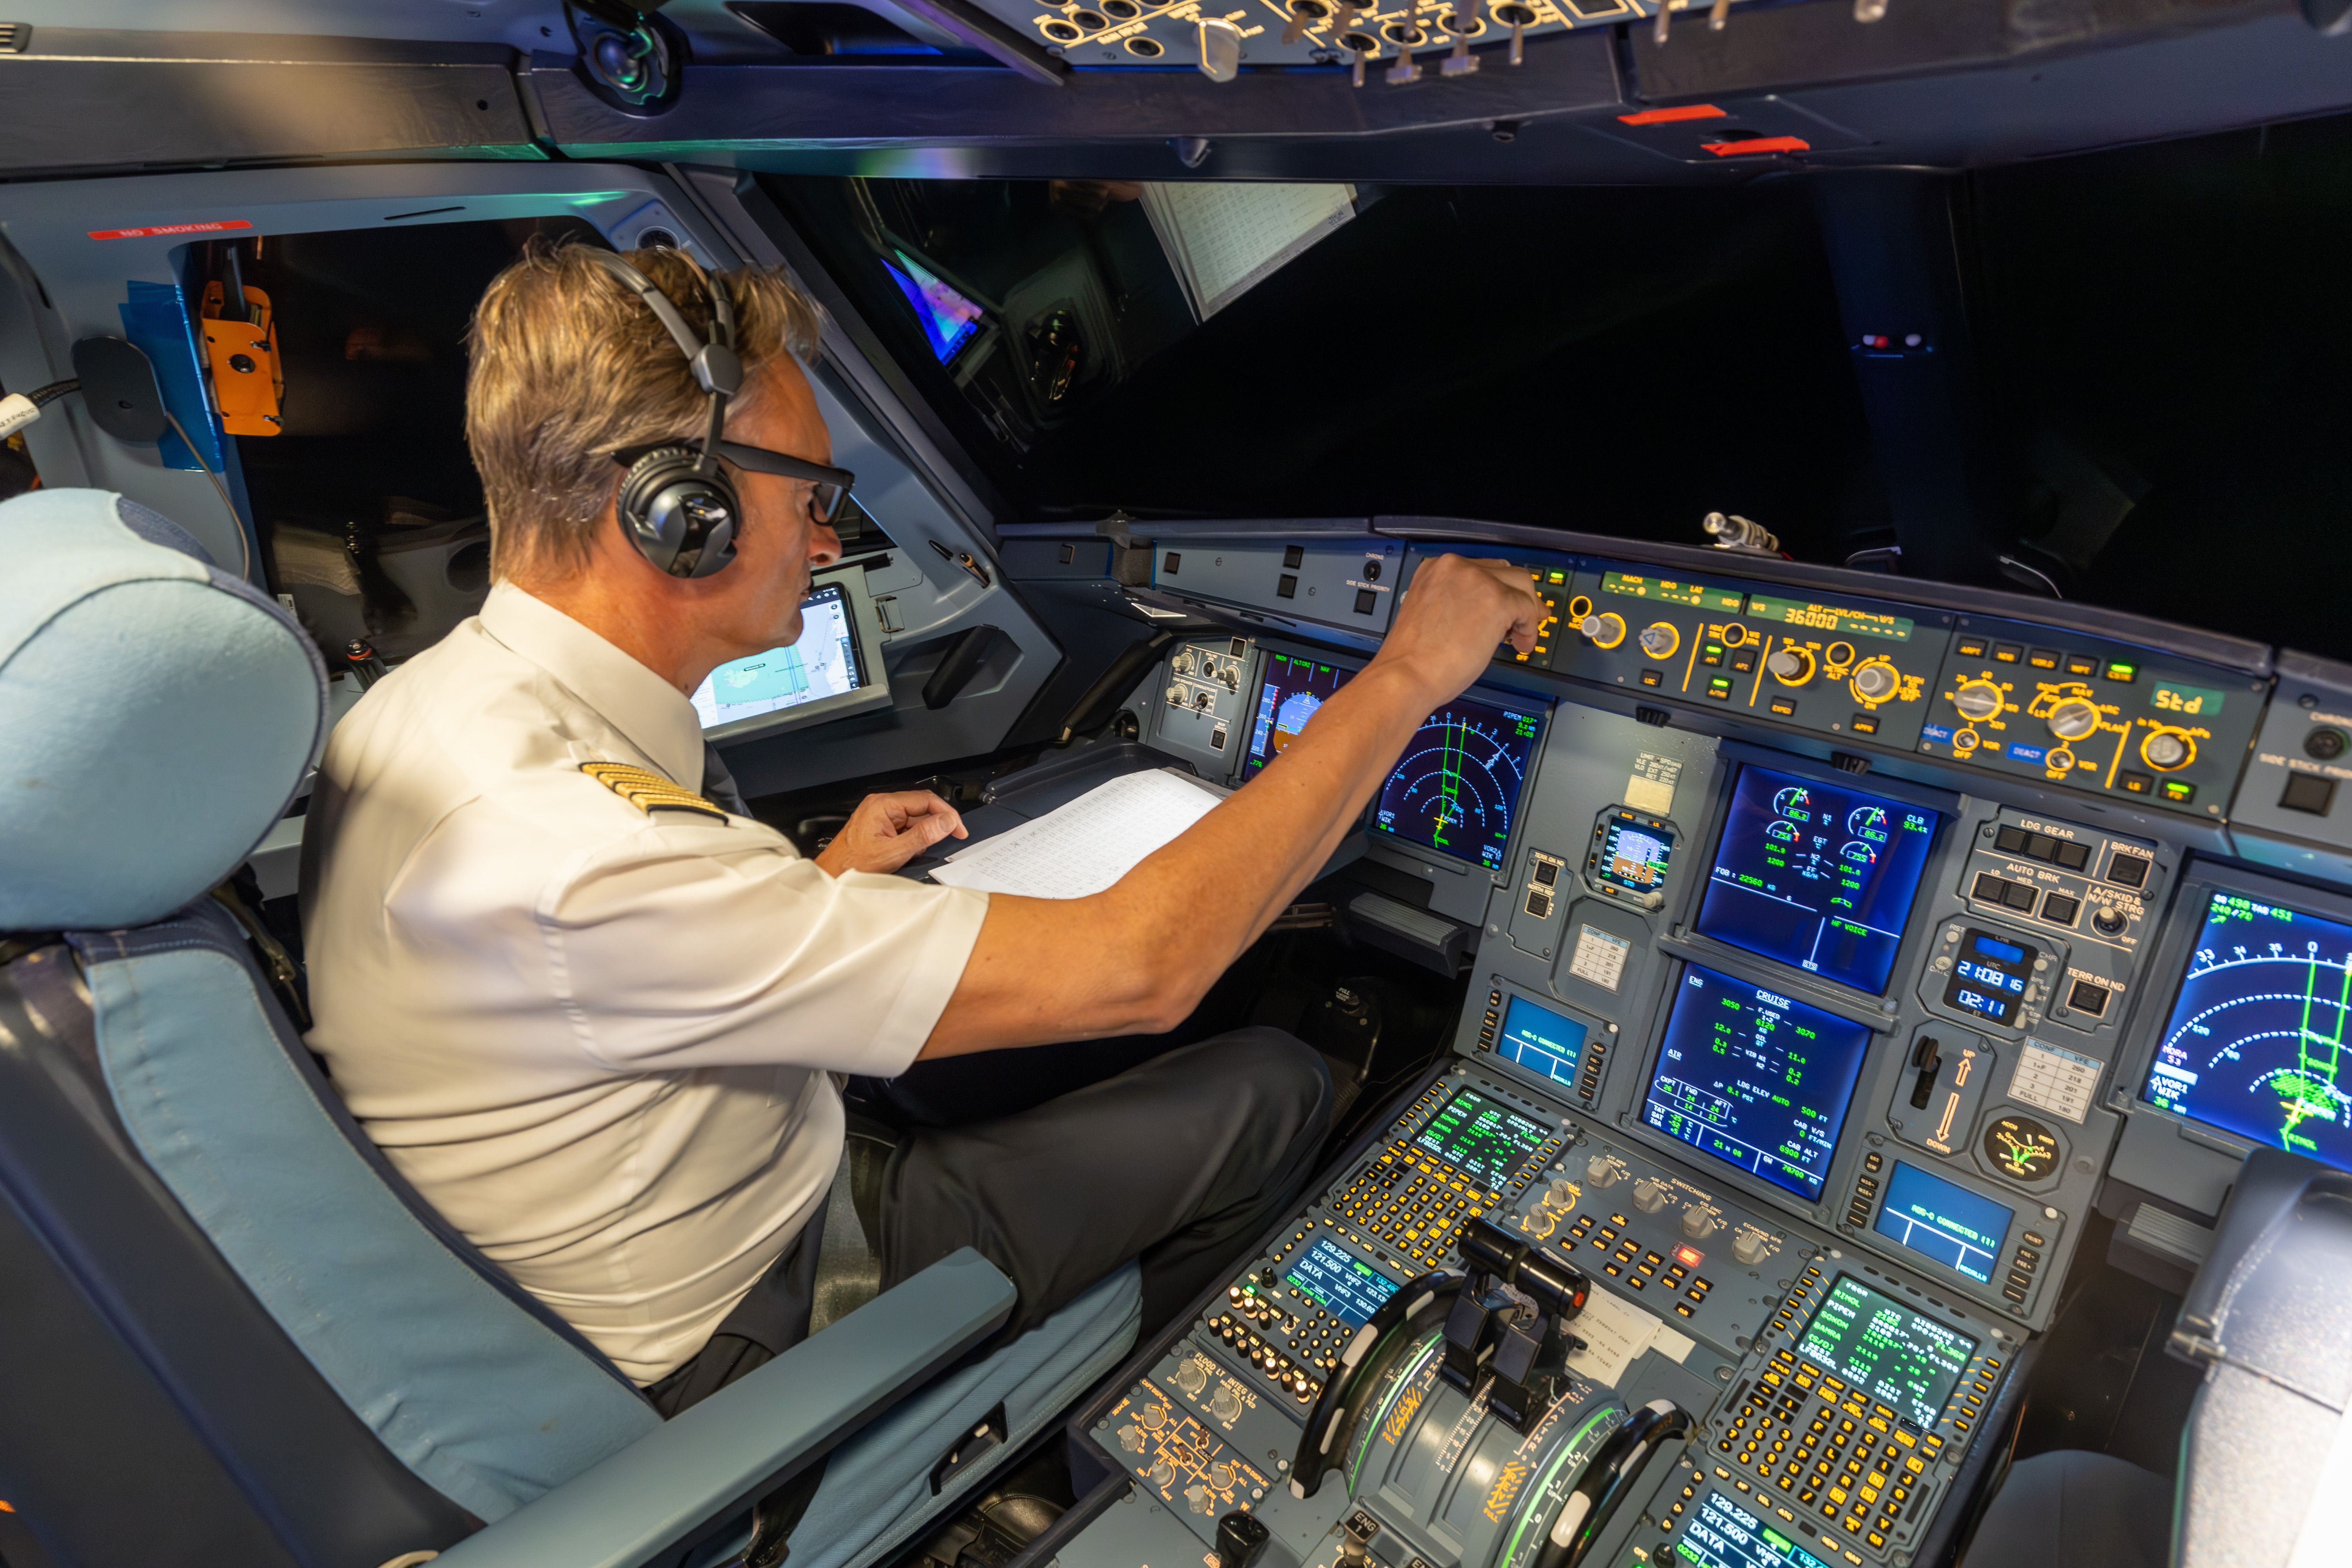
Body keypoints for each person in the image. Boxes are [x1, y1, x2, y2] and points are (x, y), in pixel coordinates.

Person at [299, 242, 1544, 1415]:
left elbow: (604, 970)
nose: (830, 537)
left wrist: (820, 885)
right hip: (748, 1311)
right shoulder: (578, 846)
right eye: (812, 490)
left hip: (646, 1204)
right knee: (1271, 1080)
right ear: (677, 512)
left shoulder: (437, 704)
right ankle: (1106, 1432)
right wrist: (1405, 681)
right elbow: (1147, 970)